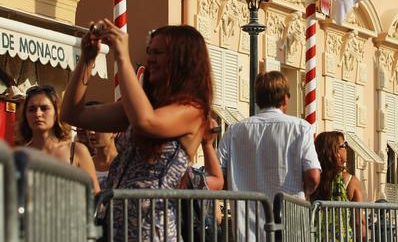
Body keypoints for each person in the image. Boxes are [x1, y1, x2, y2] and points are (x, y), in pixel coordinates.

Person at [61, 21, 213, 241]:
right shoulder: (141, 107)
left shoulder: (193, 110)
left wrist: (122, 57)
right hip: (115, 226)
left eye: (158, 52)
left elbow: (146, 122)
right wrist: (88, 59)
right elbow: (72, 114)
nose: (150, 59)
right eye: (149, 51)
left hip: (152, 229)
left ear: (182, 60)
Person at [218, 70, 320, 239]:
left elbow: (219, 176)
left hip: (247, 228)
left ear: (257, 99)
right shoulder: (300, 128)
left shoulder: (234, 131)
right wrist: (304, 193)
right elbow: (314, 176)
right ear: (285, 98)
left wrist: (238, 187)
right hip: (290, 225)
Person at [17, 85, 99, 192]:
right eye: (31, 109)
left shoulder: (76, 151)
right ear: (25, 115)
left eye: (44, 108)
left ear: (56, 113)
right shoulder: (19, 155)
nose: (37, 114)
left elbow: (96, 198)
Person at [312, 131, 365, 240]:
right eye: (344, 145)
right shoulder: (351, 181)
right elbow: (359, 222)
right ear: (335, 151)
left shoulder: (313, 180)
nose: (347, 149)